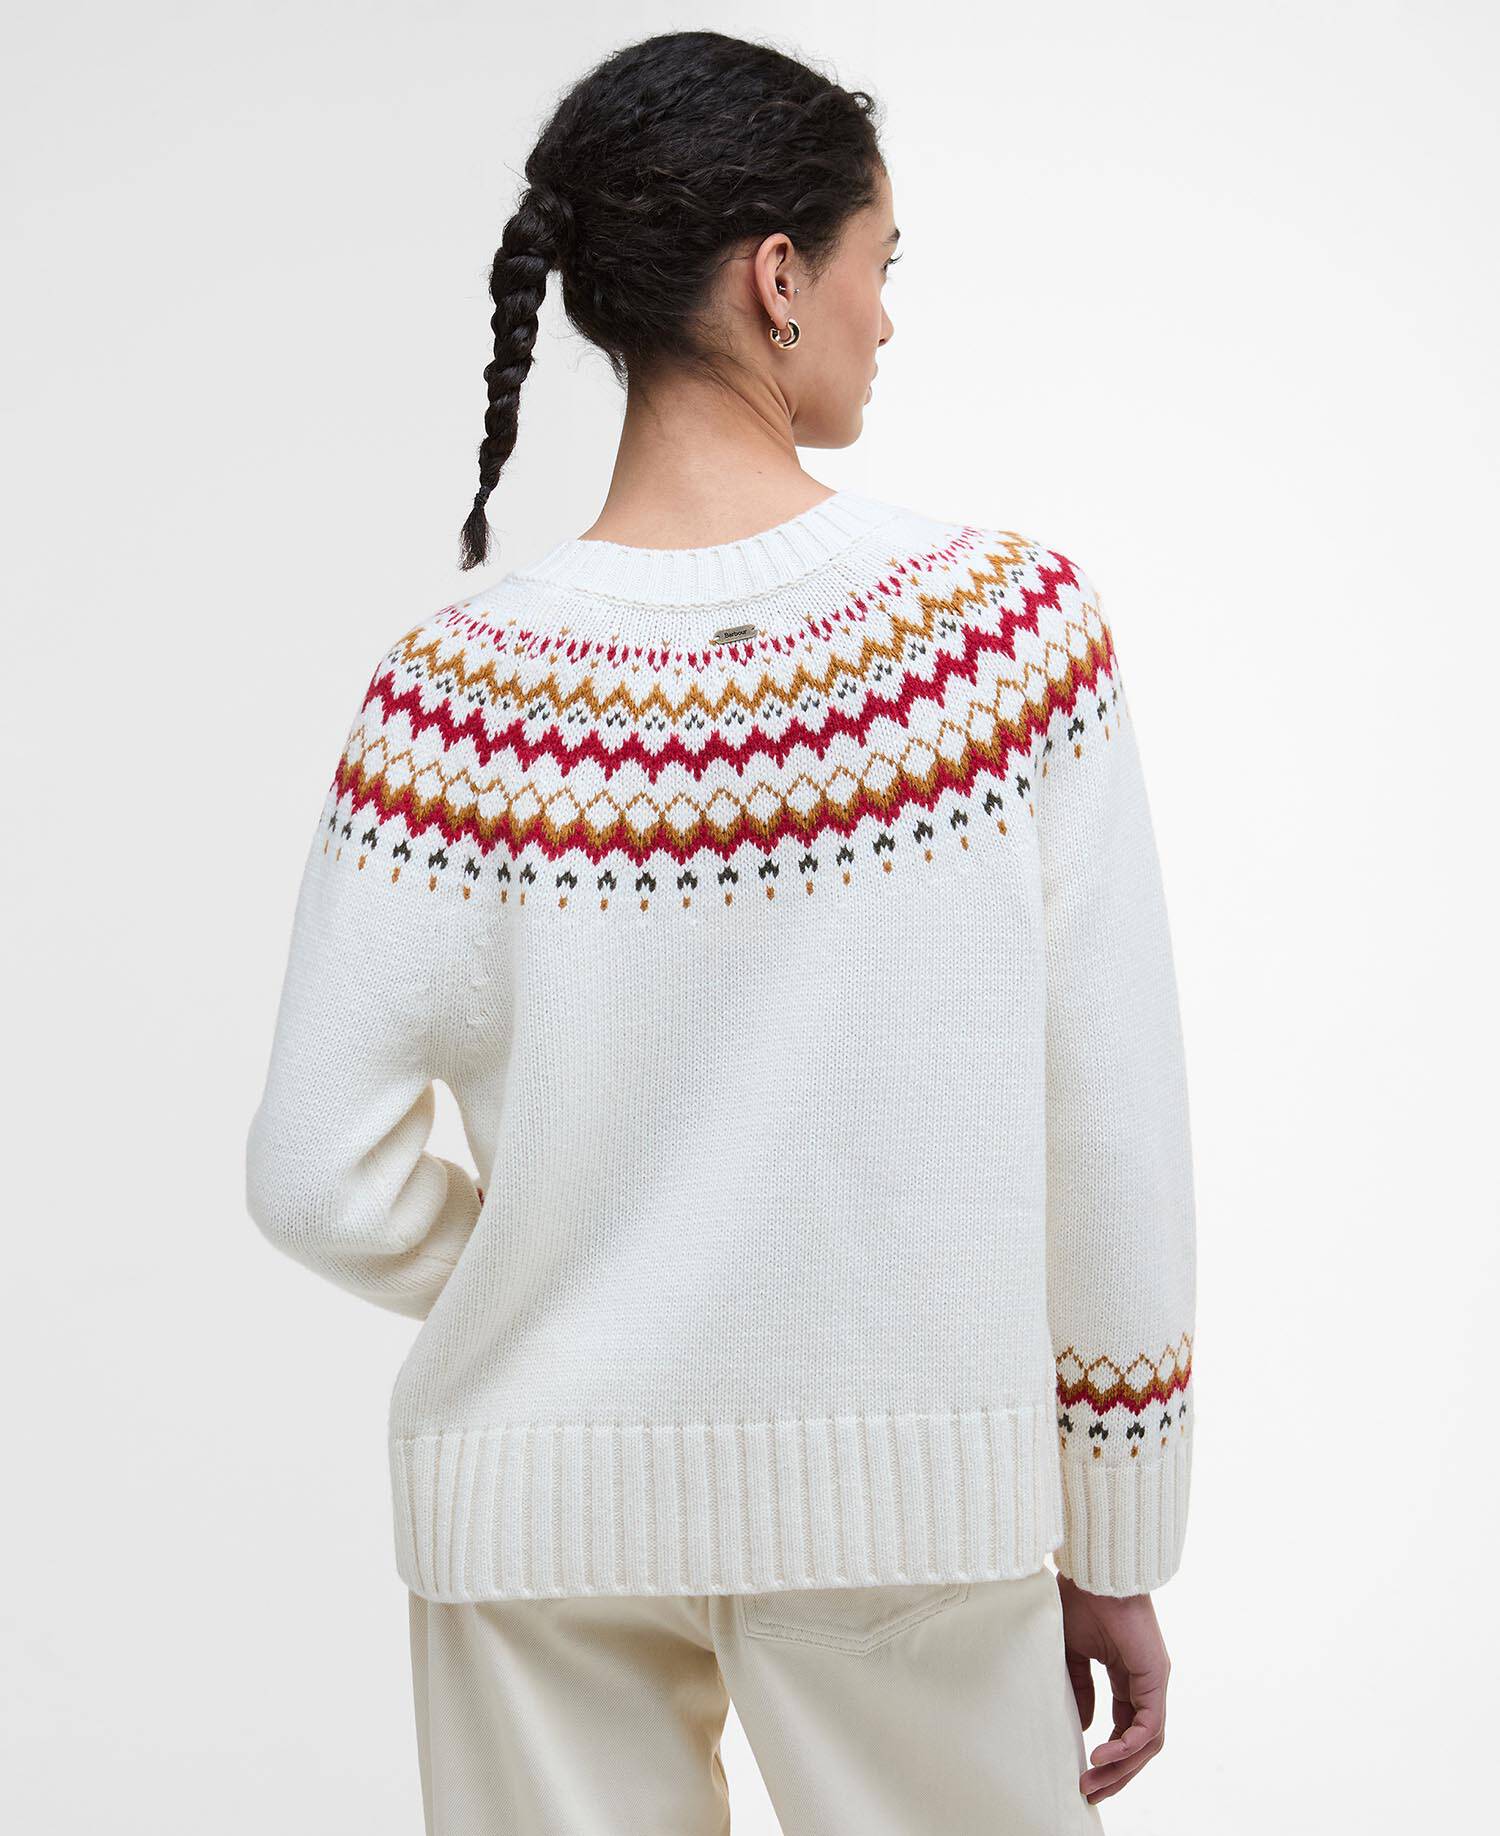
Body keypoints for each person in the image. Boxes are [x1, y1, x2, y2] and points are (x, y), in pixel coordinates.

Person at [245, 27, 1197, 1834]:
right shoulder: (1005, 645)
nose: (886, 318)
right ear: (778, 278)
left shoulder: (451, 693)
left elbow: (312, 1171)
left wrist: (576, 1286)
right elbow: (1110, 1133)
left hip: (531, 1508)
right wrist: (1117, 1526)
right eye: (879, 263)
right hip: (916, 1495)